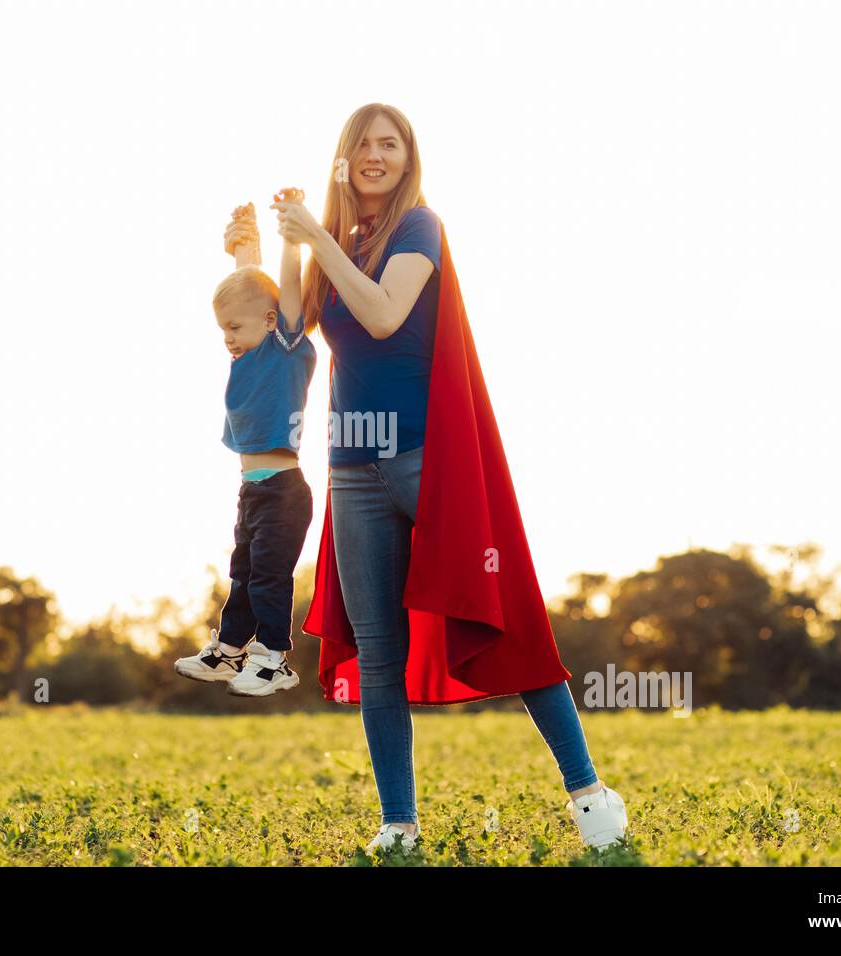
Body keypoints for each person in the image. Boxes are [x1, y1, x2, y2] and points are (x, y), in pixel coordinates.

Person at [271, 103, 629, 854]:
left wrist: (317, 242)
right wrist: (281, 245)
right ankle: (398, 824)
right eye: (363, 145)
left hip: (428, 462)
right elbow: (289, 329)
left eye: (389, 144)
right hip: (352, 469)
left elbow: (381, 315)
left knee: (504, 617)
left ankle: (590, 797)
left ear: (408, 157)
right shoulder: (339, 240)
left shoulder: (419, 228)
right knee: (377, 654)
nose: (375, 156)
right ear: (344, 157)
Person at [173, 194, 315, 697]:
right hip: (253, 489)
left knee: (268, 579)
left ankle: (274, 658)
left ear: (273, 322)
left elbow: (279, 295)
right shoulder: (251, 351)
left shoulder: (286, 347)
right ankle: (229, 650)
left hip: (283, 489)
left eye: (233, 329)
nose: (228, 339)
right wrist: (243, 243)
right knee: (244, 574)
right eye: (223, 330)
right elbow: (249, 294)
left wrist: (290, 239)